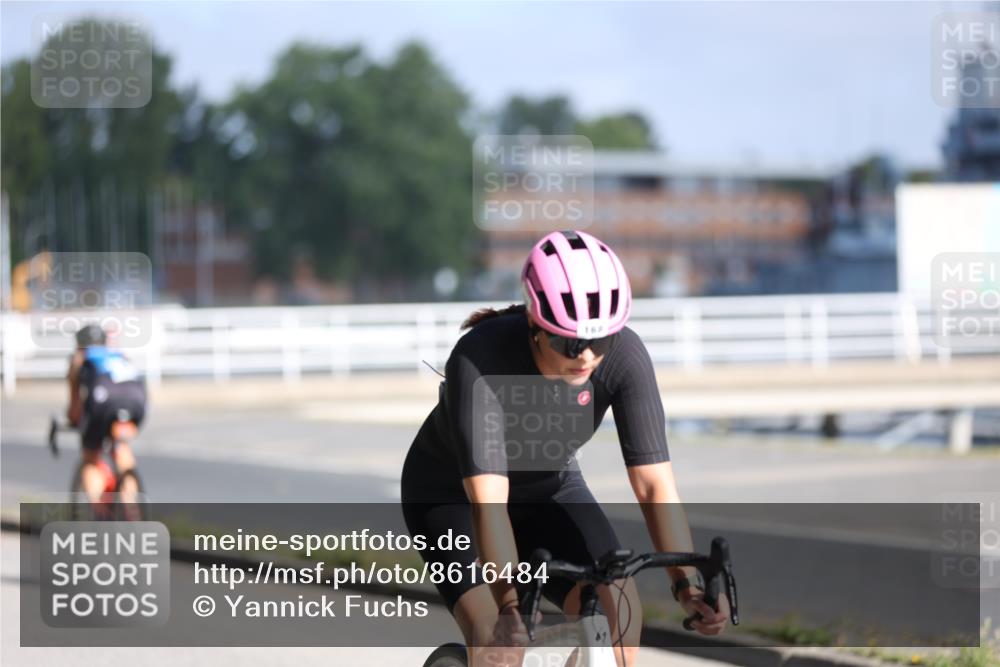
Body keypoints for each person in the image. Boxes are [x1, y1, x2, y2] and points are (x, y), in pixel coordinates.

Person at [401, 230, 729, 667]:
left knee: (621, 614)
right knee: (498, 643)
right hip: (453, 498)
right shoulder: (481, 359)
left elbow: (654, 487)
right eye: (569, 342)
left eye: (601, 341)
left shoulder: (626, 356)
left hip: (549, 490)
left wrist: (687, 584)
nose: (587, 356)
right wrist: (509, 606)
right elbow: (489, 503)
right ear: (536, 326)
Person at [67, 323, 146, 504]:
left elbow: (75, 405)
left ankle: (98, 511)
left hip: (104, 402)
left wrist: (74, 419)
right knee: (122, 448)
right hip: (137, 402)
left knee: (91, 458)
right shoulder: (118, 354)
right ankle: (131, 508)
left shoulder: (81, 357)